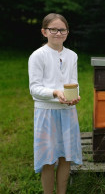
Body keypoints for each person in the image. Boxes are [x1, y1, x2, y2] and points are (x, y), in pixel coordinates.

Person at [28, 13, 83, 194]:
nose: (58, 33)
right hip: (46, 113)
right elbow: (34, 88)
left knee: (65, 157)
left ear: (67, 32)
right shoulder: (37, 56)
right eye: (53, 29)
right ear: (44, 32)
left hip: (68, 112)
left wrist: (74, 95)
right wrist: (55, 92)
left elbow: (73, 81)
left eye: (62, 30)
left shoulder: (72, 55)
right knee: (48, 159)